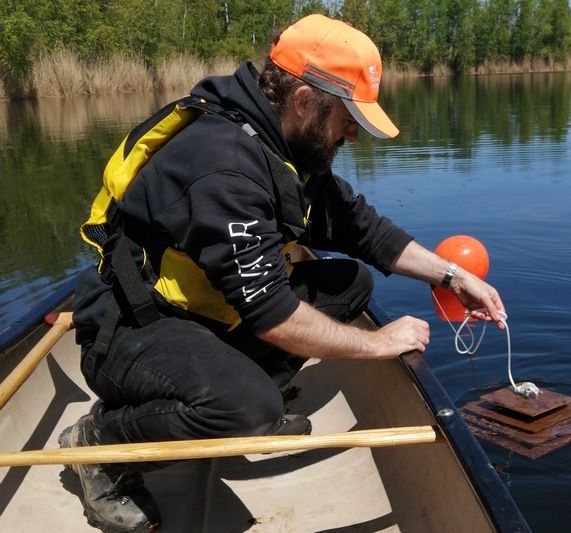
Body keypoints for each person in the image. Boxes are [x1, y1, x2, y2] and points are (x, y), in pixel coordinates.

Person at [60, 13, 506, 533]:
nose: (352, 137)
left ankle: (239, 397)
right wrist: (377, 343)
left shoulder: (287, 145)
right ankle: (101, 446)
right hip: (131, 328)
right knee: (247, 405)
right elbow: (272, 315)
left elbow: (365, 230)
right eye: (348, 120)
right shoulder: (225, 164)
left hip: (196, 309)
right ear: (303, 101)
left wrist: (451, 276)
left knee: (350, 284)